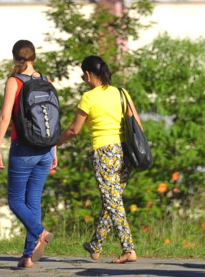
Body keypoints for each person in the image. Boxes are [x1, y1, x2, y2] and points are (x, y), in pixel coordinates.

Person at [59, 55, 141, 265]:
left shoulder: (89, 97)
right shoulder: (122, 93)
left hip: (104, 153)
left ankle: (128, 249)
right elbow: (137, 124)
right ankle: (96, 244)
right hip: (125, 152)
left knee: (113, 201)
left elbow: (74, 130)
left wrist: (54, 143)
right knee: (111, 200)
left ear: (87, 74)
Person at [0, 40, 56, 268]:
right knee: (33, 202)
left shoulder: (14, 81)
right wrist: (54, 148)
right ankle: (28, 257)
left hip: (24, 148)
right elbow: (50, 117)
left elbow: (4, 117)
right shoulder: (44, 79)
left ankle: (41, 232)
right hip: (46, 149)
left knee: (15, 200)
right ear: (34, 57)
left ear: (15, 57)